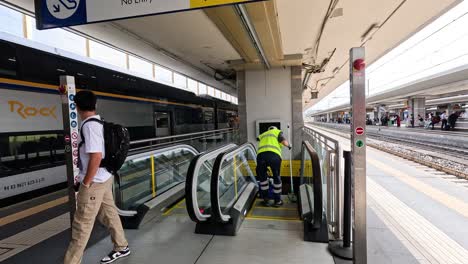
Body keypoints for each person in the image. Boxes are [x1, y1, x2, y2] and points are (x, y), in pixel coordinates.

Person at [64, 91, 130, 264]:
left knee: (81, 227)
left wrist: (86, 183)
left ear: (76, 107)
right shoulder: (97, 123)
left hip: (94, 182)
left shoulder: (89, 126)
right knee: (109, 214)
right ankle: (122, 246)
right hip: (104, 178)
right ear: (95, 105)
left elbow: (96, 156)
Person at [256, 126, 291, 207]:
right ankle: (277, 201)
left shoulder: (263, 134)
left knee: (263, 178)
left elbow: (258, 139)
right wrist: (289, 146)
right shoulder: (277, 131)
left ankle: (266, 200)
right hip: (273, 156)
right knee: (276, 177)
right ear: (275, 129)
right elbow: (283, 141)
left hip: (260, 156)